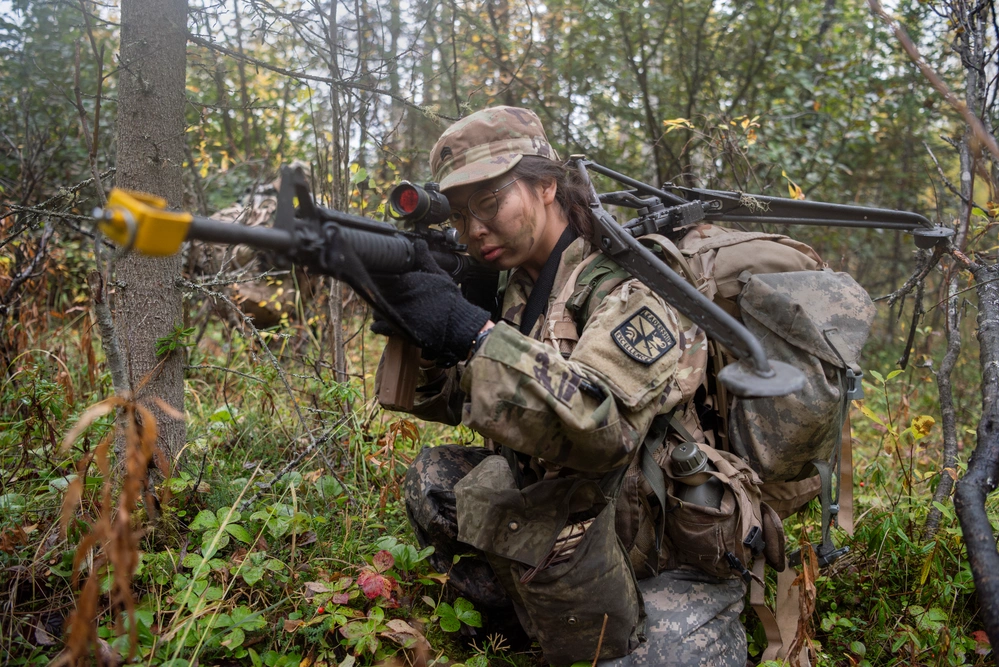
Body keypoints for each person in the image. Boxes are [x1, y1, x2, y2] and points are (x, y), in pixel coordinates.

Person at [371, 106, 747, 666]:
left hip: (662, 542)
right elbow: (461, 400)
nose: (474, 230)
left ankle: (643, 620)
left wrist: (471, 331)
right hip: (581, 506)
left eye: (491, 203)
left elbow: (603, 427)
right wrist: (428, 335)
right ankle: (529, 621)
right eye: (458, 216)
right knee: (439, 482)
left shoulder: (626, 280)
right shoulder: (518, 283)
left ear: (546, 184)